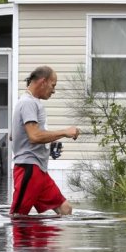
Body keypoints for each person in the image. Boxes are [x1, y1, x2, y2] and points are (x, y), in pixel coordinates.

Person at [10, 66, 80, 216]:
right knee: (17, 216)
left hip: (40, 170)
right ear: (43, 82)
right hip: (28, 168)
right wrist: (64, 132)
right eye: (53, 85)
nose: (54, 90)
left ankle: (40, 238)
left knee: (65, 209)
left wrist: (50, 144)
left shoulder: (31, 102)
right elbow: (34, 136)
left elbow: (14, 135)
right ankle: (23, 240)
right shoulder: (28, 103)